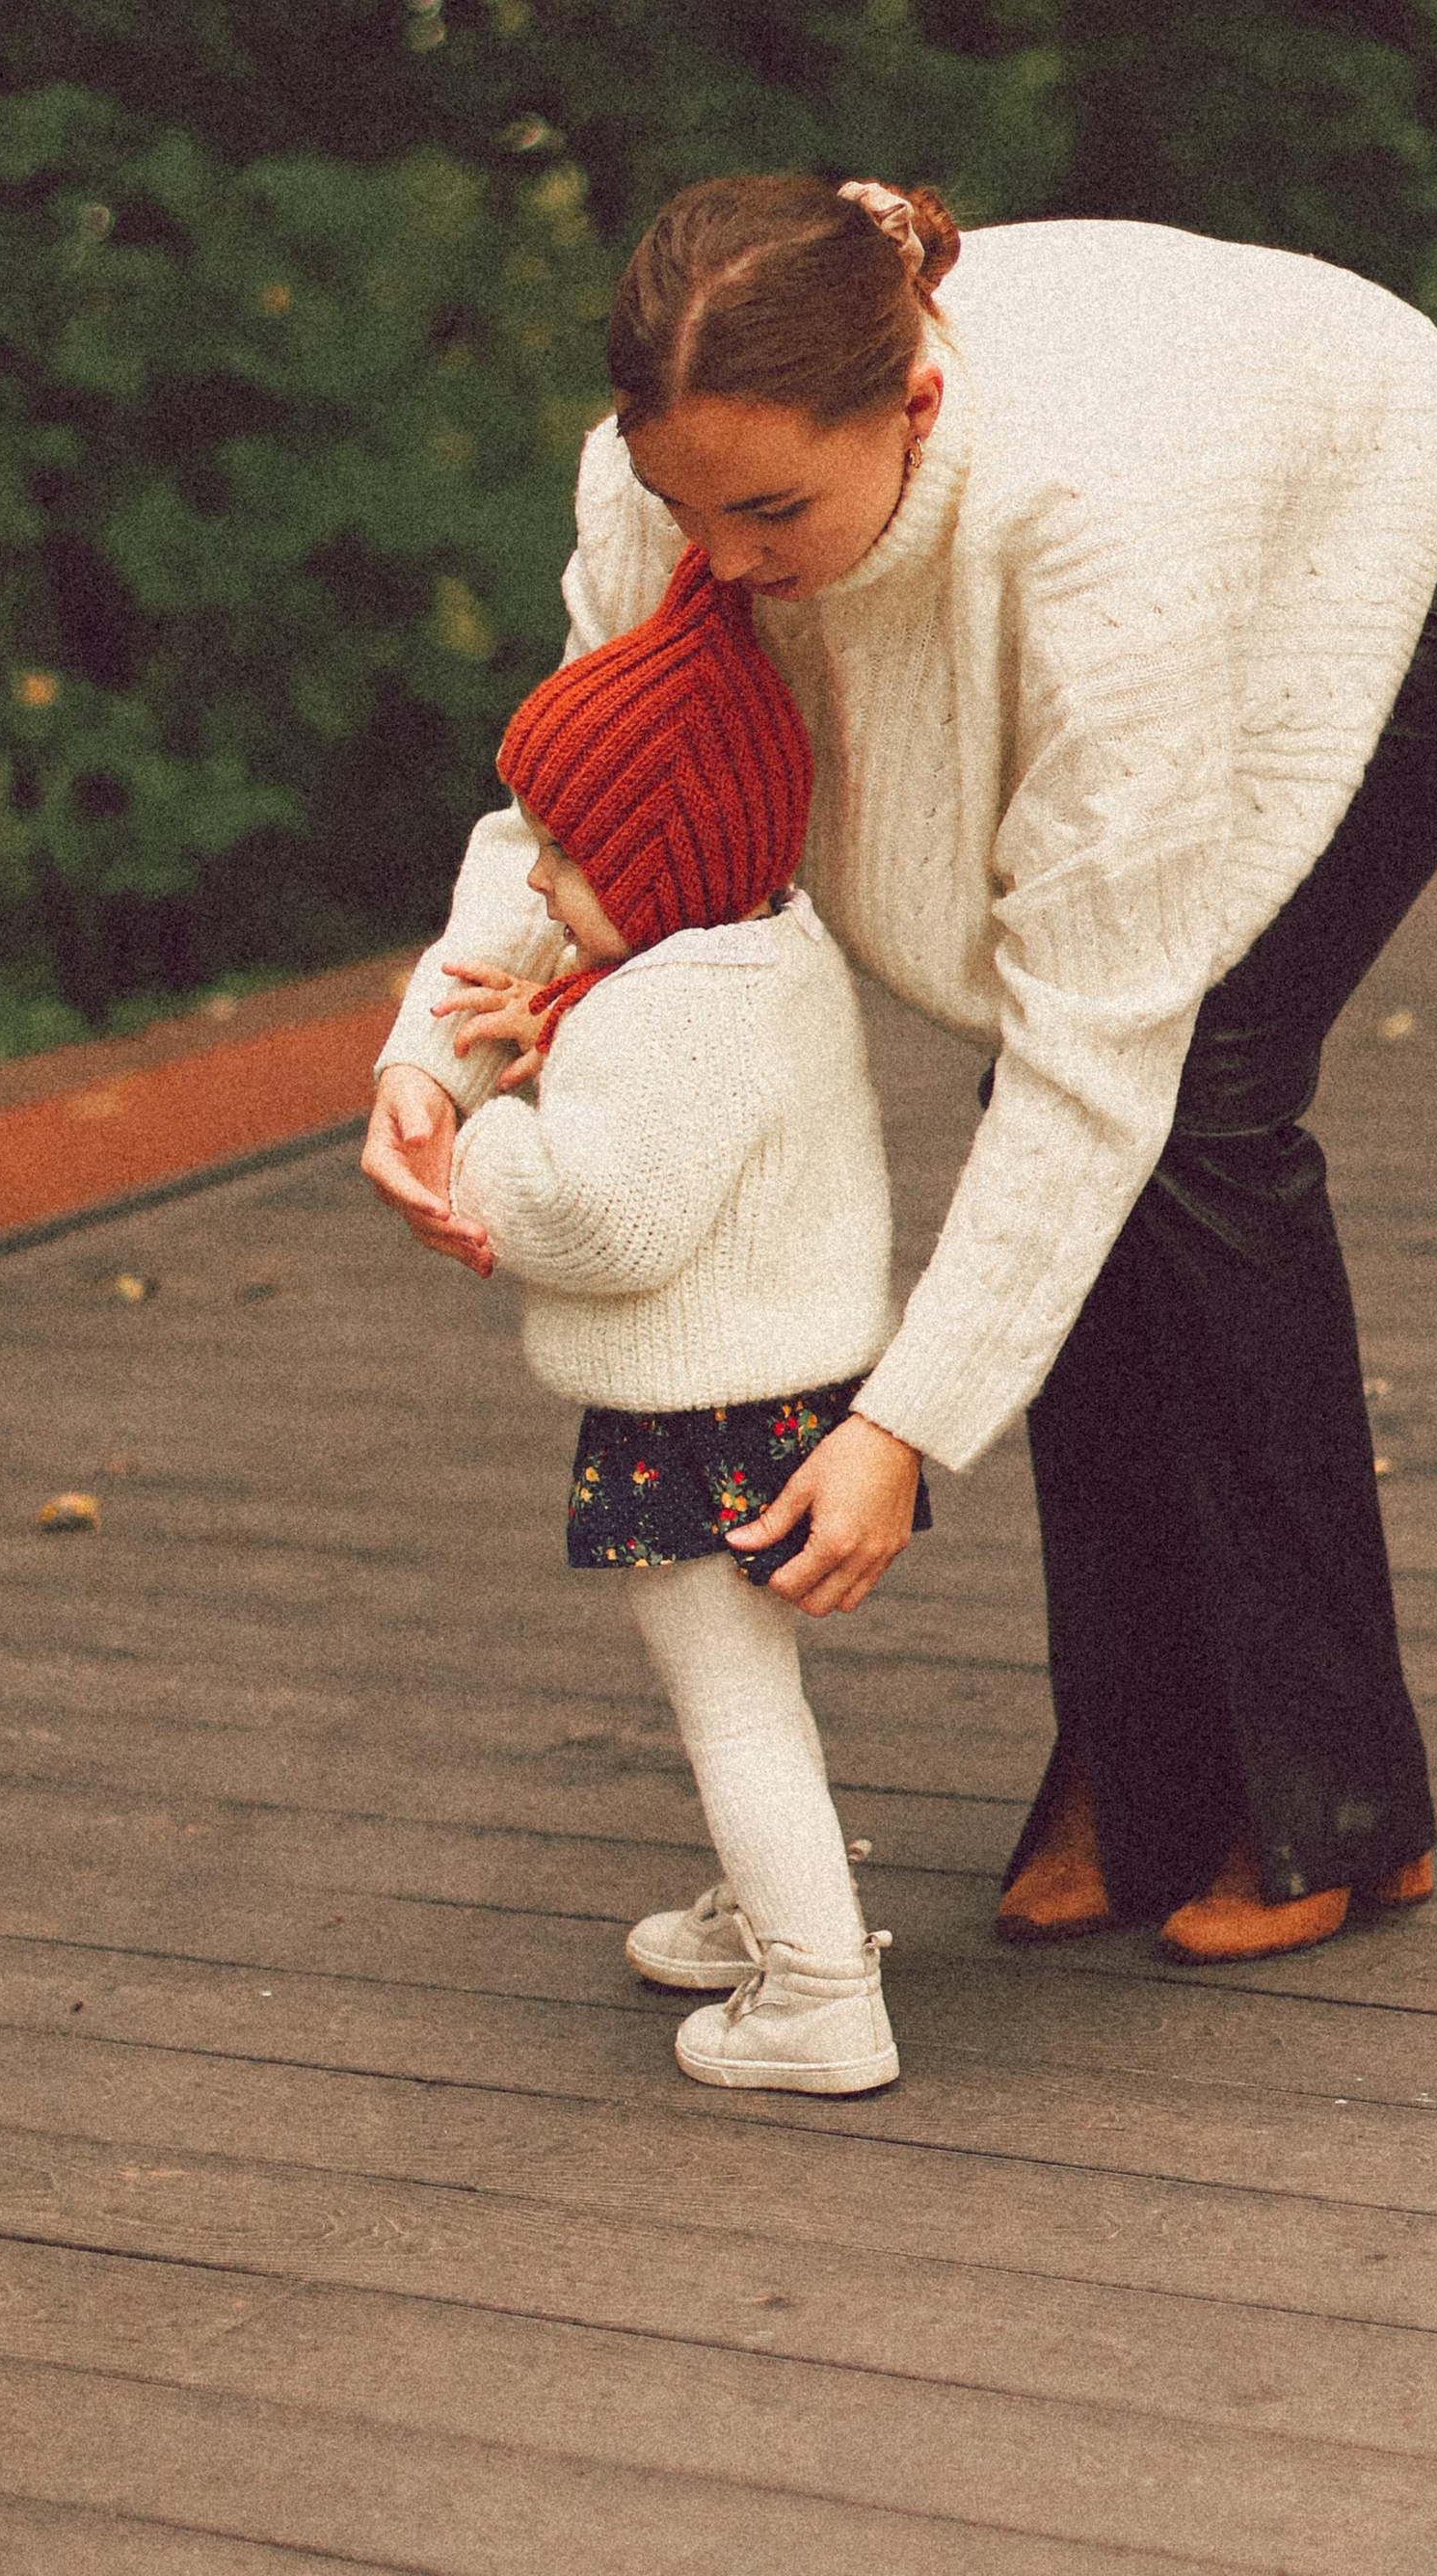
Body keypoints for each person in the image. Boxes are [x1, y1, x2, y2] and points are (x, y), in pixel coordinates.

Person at [368, 174, 1437, 1963]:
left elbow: (1096, 1054)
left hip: (1387, 533)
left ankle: (1333, 1793)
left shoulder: (1100, 532)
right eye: (693, 511)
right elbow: (575, 795)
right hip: (1166, 513)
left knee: (1202, 1101)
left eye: (772, 511)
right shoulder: (675, 494)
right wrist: (429, 1061)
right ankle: (1146, 1759)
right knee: (1098, 1122)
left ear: (914, 402)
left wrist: (903, 1429)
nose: (732, 566)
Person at [435, 540, 917, 2095]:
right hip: (788, 1393)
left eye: (566, 858)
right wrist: (558, 1030)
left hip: (702, 1411)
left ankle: (820, 1994)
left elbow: (601, 1219)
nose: (535, 883)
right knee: (752, 1686)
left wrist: (495, 1123)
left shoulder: (673, 1009)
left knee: (731, 1702)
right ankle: (762, 1908)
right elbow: (658, 1092)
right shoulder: (747, 954)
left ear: (658, 867)